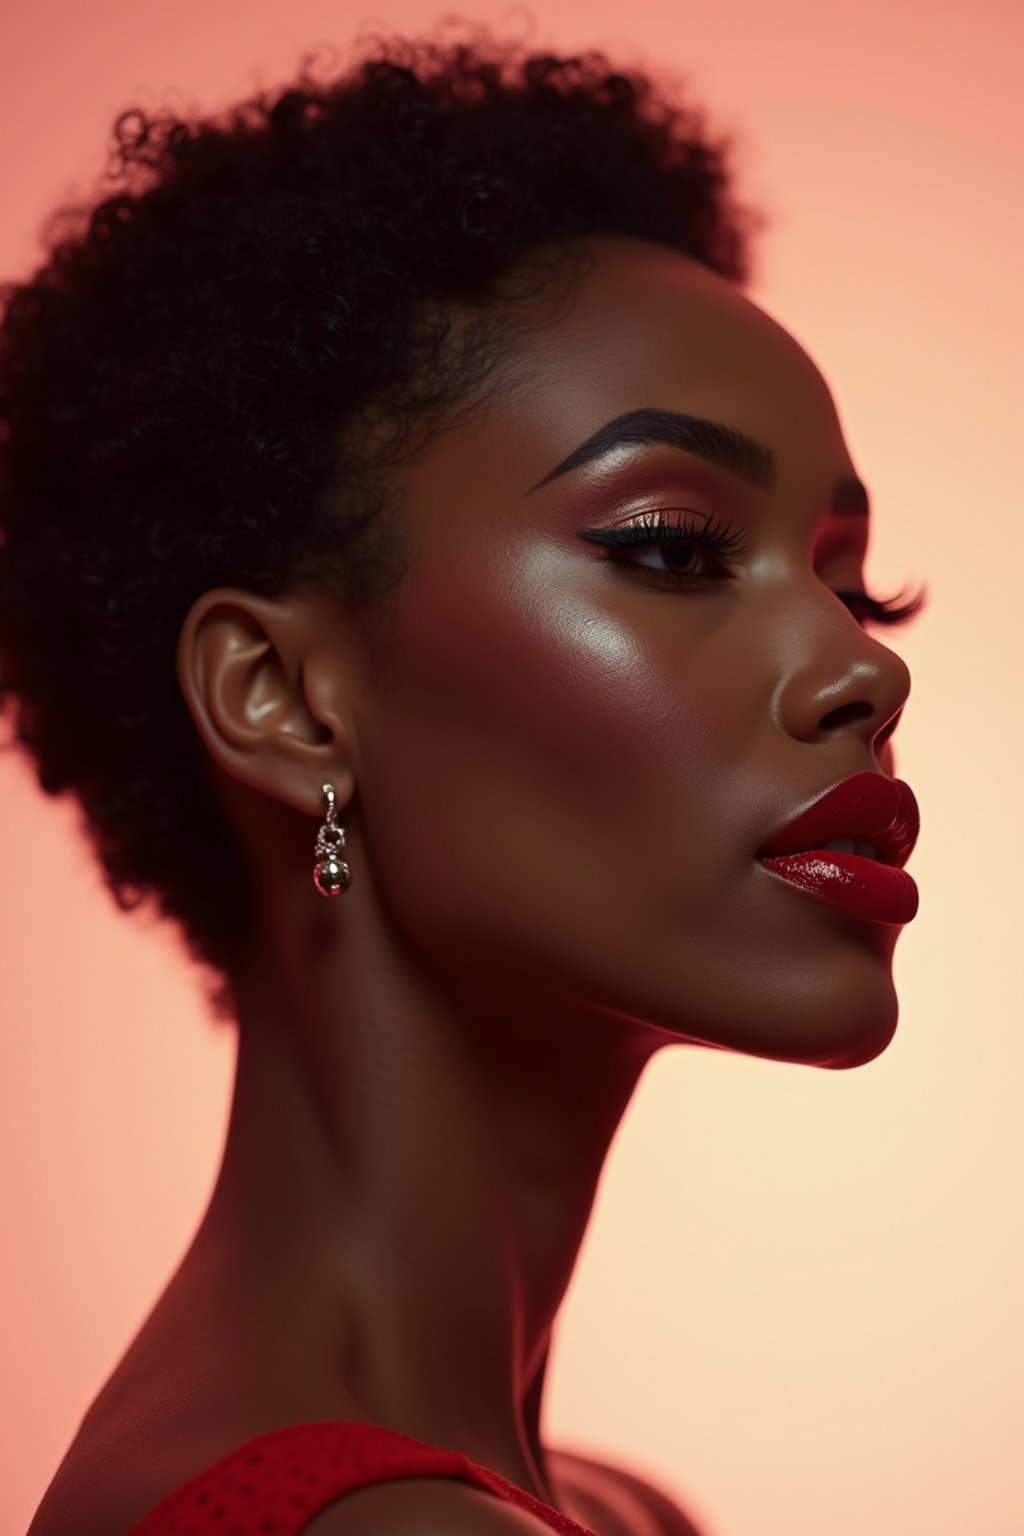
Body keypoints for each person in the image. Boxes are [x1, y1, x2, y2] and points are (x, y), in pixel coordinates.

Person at [5, 24, 926, 1536]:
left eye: (855, 587)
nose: (861, 671)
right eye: (676, 552)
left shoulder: (605, 1511)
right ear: (287, 699)